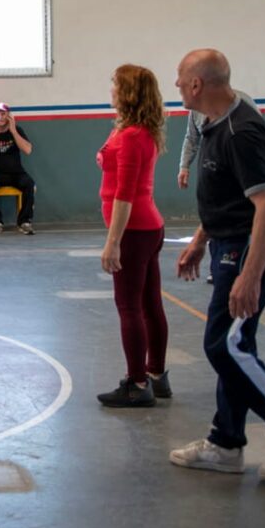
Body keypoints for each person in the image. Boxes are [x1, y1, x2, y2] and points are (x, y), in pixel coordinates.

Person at [170, 49, 265, 482]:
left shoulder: (242, 132)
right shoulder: (211, 124)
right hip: (227, 244)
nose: (178, 87)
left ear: (198, 84)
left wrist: (250, 276)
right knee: (234, 348)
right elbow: (229, 196)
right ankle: (225, 443)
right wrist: (202, 239)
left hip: (249, 249)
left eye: (181, 80)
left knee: (226, 346)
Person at [95, 65, 170, 408]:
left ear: (126, 93)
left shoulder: (129, 136)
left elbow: (124, 195)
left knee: (129, 307)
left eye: (114, 85)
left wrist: (113, 242)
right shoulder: (140, 132)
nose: (110, 89)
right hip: (149, 227)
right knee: (150, 304)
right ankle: (156, 375)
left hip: (134, 231)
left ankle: (138, 383)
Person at [177, 89, 257, 189]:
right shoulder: (196, 108)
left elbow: (259, 138)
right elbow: (192, 139)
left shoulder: (244, 102)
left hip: (243, 173)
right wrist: (184, 166)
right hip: (212, 174)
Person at [0, 103, 36, 234]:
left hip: (16, 173)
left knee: (29, 184)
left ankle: (24, 222)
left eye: (3, 114)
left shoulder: (17, 130)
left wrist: (13, 131)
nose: (0, 117)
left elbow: (27, 150)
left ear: (9, 116)